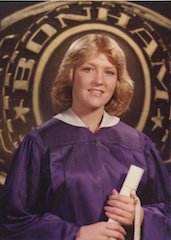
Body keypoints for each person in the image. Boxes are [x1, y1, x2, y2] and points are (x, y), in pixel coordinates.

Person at [0, 33, 170, 240]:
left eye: (109, 72)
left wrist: (141, 216)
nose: (99, 80)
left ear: (117, 81)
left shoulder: (137, 144)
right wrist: (75, 234)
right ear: (70, 75)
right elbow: (12, 221)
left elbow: (167, 211)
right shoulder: (40, 142)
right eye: (88, 69)